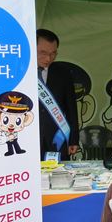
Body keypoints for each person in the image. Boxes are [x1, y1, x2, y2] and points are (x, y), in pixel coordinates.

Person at [36, 29, 79, 160]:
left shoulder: (63, 73)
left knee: (59, 176)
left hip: (57, 137)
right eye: (42, 53)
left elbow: (71, 107)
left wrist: (73, 139)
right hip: (29, 138)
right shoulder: (19, 72)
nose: (48, 58)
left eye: (53, 53)